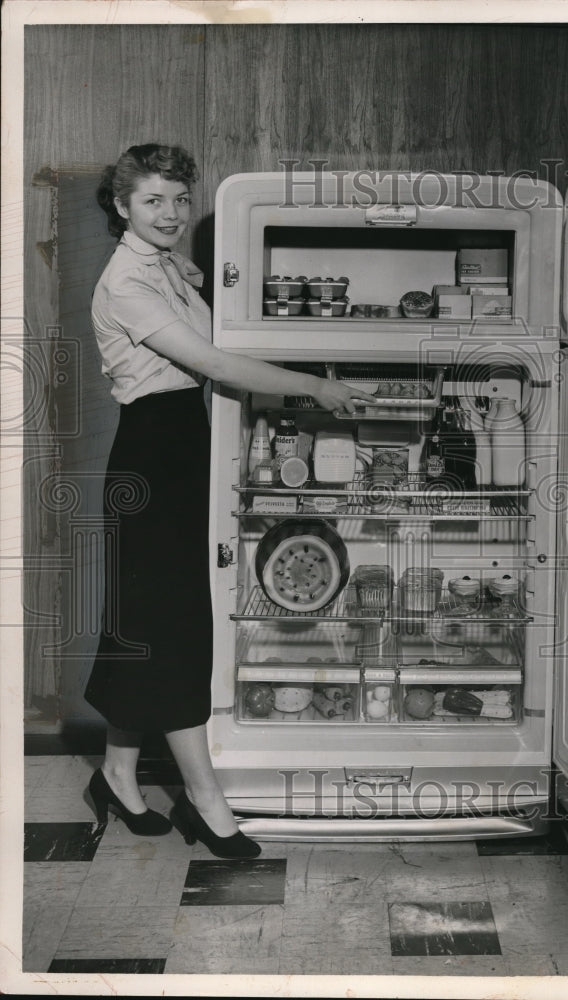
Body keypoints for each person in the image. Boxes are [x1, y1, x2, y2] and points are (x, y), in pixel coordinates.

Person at [83, 143, 373, 858]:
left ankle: (117, 773)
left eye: (181, 200)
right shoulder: (127, 281)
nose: (172, 214)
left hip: (180, 446)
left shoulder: (165, 268)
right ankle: (206, 804)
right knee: (172, 625)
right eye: (153, 201)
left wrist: (195, 278)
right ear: (122, 206)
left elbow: (222, 340)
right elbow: (211, 361)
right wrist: (314, 387)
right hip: (151, 455)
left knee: (147, 621)